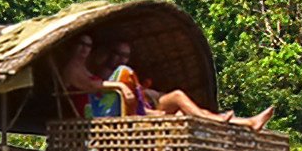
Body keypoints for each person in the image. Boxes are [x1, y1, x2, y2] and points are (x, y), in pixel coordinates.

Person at [53, 38, 272, 127]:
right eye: (81, 44)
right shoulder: (75, 69)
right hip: (104, 115)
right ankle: (220, 119)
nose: (84, 49)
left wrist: (147, 93)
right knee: (173, 108)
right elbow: (94, 87)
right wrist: (121, 86)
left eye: (88, 46)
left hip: (128, 108)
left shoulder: (94, 70)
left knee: (175, 98)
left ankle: (246, 123)